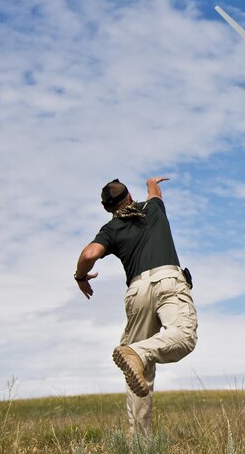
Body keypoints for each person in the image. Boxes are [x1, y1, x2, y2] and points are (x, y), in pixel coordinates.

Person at [73, 177, 198, 437]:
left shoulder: (111, 229)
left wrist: (81, 277)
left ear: (107, 208)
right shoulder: (152, 208)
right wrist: (151, 182)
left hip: (137, 291)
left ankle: (139, 444)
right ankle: (137, 352)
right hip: (168, 281)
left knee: (138, 372)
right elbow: (155, 192)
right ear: (130, 195)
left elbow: (88, 255)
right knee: (184, 337)